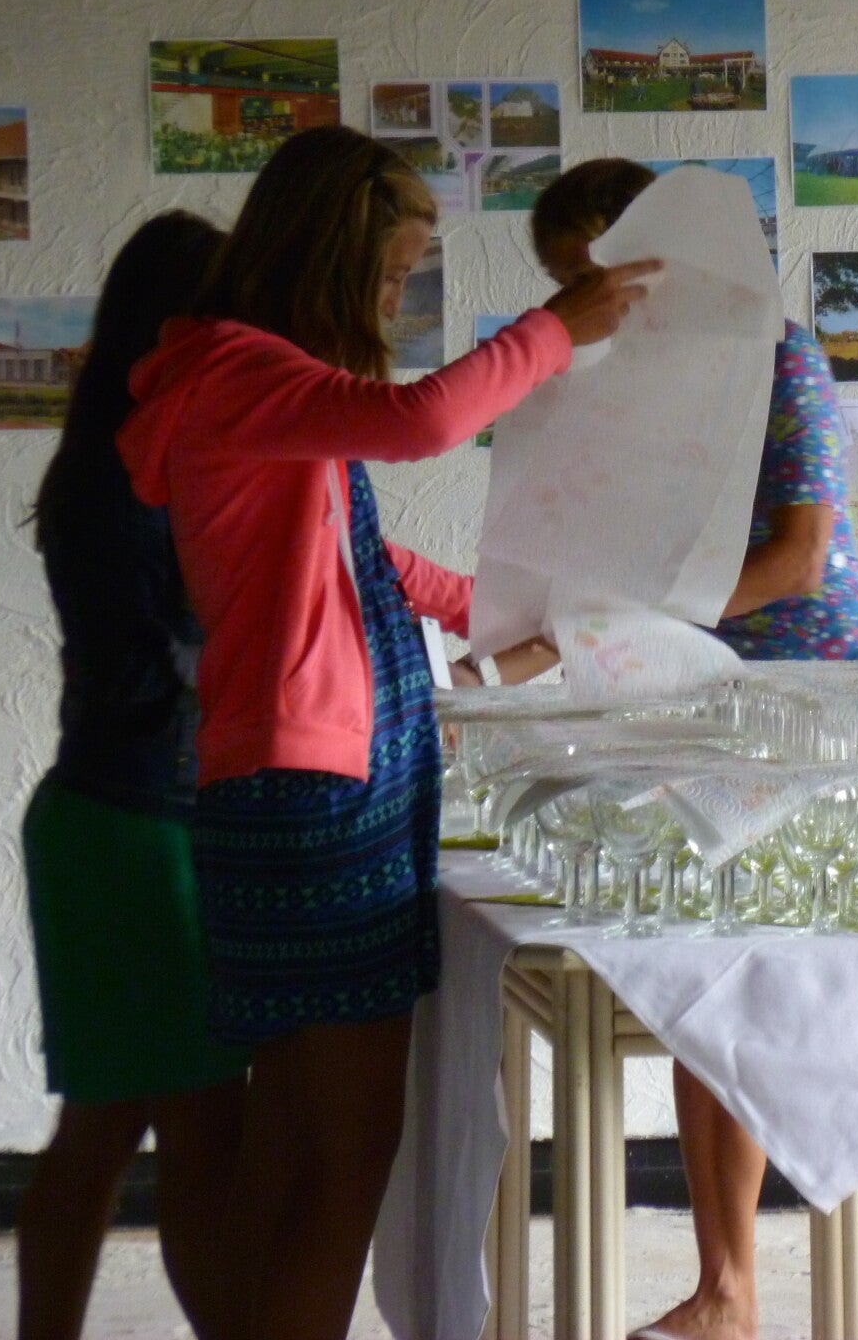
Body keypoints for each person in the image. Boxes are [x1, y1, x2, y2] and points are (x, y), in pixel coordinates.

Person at [115, 126, 658, 1340]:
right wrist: (558, 325)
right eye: (393, 275)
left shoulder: (247, 386)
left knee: (290, 1144)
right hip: (316, 793)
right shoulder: (242, 372)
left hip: (282, 784)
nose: (397, 302)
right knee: (346, 1157)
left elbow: (355, 554)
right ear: (329, 259)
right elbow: (422, 422)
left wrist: (508, 611)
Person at [531, 158, 858, 1340]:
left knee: (736, 978)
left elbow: (797, 561)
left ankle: (730, 1290)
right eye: (567, 287)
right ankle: (726, 1290)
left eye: (597, 279)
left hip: (823, 694)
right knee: (705, 980)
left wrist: (629, 626)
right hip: (709, 690)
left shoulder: (779, 356)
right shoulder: (627, 383)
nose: (590, 310)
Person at [17, 212, 248, 1340]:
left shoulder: (136, 459)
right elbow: (153, 671)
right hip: (132, 825)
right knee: (177, 1126)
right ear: (176, 327)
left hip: (131, 818)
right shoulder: (123, 477)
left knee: (127, 1127)